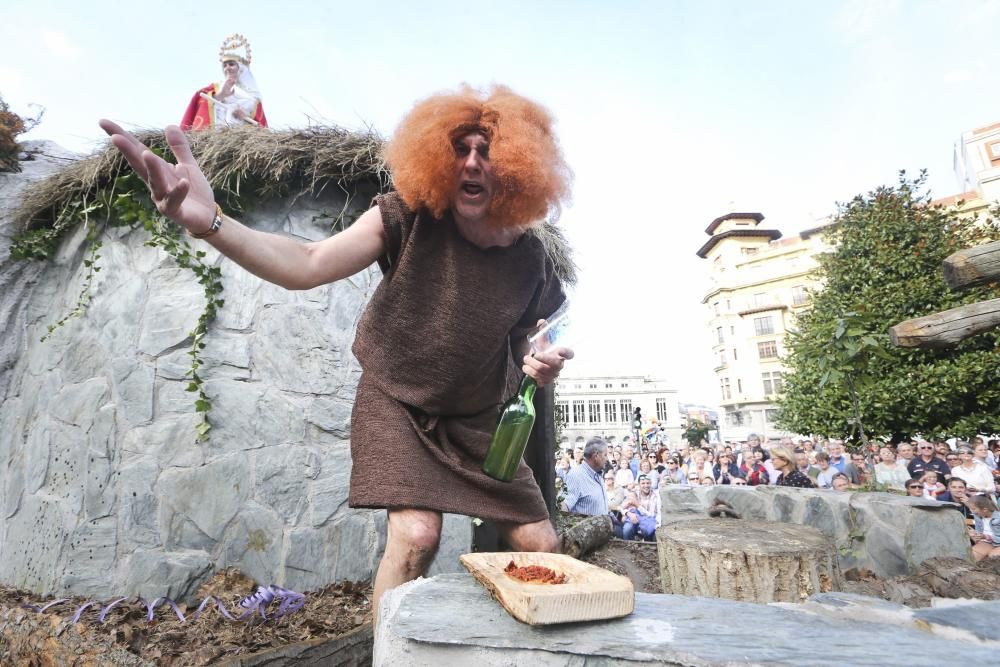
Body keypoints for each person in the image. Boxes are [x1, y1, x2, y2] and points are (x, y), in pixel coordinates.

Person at [101, 83, 574, 623]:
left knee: (543, 545)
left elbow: (526, 340)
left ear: (517, 166)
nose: (470, 162)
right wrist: (210, 222)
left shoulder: (532, 260)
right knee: (418, 536)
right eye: (458, 149)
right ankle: (382, 651)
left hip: (481, 418)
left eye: (485, 151)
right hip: (398, 401)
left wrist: (539, 358)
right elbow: (308, 262)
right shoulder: (407, 216)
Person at [181, 34, 268, 130]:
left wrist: (245, 117)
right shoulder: (215, 88)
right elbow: (201, 102)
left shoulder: (254, 96)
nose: (227, 68)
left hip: (241, 137)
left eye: (231, 64)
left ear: (241, 68)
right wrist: (221, 95)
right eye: (225, 65)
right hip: (217, 134)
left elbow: (260, 126)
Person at [564, 437, 610, 515]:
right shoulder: (575, 476)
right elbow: (563, 507)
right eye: (605, 455)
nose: (607, 459)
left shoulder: (598, 475)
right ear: (596, 456)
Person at [966, 495, 1000, 560]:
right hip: (987, 542)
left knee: (994, 557)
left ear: (985, 509)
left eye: (973, 509)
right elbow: (980, 533)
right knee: (971, 556)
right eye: (970, 508)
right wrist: (974, 534)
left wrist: (986, 537)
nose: (971, 512)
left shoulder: (998, 518)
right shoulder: (978, 516)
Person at [633, 474, 659, 540]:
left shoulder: (655, 495)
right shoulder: (634, 493)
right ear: (639, 484)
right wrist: (627, 513)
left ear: (651, 484)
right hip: (637, 521)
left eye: (648, 483)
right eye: (643, 483)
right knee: (628, 528)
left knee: (650, 532)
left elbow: (651, 515)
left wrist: (638, 506)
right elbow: (623, 506)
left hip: (651, 523)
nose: (646, 485)